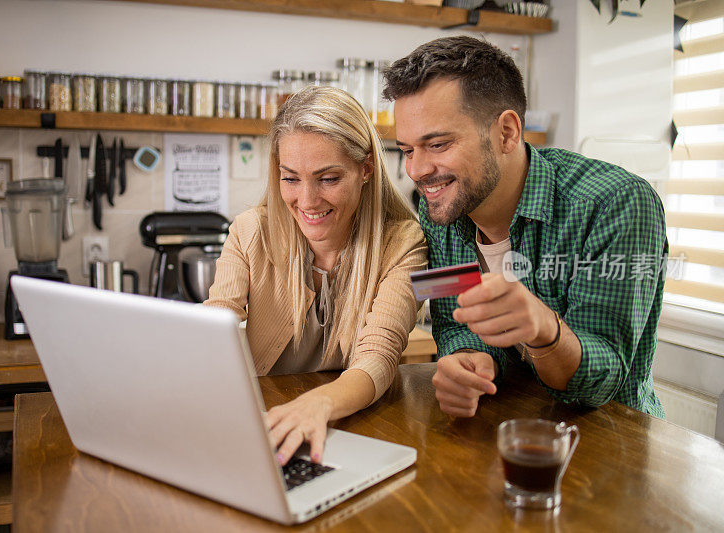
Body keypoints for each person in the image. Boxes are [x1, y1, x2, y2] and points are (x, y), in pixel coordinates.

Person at [384, 36, 667, 418]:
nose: (417, 170)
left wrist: (543, 328)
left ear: (506, 132)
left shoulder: (615, 204)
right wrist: (469, 358)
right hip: (501, 430)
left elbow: (604, 381)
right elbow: (455, 321)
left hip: (610, 442)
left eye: (437, 145)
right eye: (407, 150)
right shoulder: (443, 215)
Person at [204, 85, 427, 464]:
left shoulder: (403, 244)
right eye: (290, 179)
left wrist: (317, 405)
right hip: (266, 427)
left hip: (355, 428)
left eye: (327, 179)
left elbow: (378, 356)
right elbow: (215, 322)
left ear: (366, 169)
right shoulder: (248, 232)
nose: (306, 201)